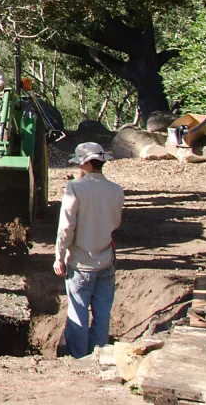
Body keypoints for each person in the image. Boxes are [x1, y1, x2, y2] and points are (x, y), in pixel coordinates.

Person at [54, 141, 124, 358]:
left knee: (78, 314)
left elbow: (66, 227)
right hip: (106, 262)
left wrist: (59, 256)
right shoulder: (116, 190)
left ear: (85, 164)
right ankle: (100, 357)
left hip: (81, 264)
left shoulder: (75, 188)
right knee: (102, 316)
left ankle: (78, 360)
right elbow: (116, 224)